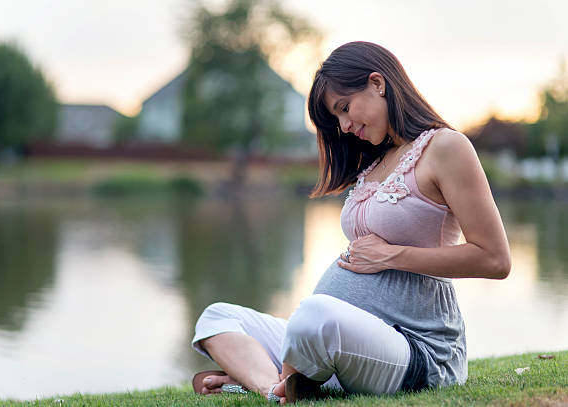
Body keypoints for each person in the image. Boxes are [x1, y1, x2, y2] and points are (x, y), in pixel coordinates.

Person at [190, 41, 511, 403]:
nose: (343, 126)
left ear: (378, 83)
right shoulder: (375, 162)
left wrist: (392, 256)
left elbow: (495, 260)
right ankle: (273, 388)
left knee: (314, 316)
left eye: (344, 109)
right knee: (217, 317)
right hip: (339, 338)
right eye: (336, 118)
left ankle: (269, 375)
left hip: (417, 350)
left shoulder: (446, 147)